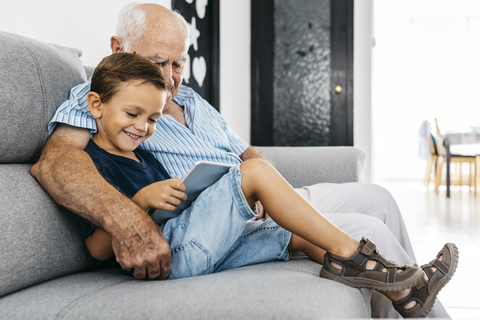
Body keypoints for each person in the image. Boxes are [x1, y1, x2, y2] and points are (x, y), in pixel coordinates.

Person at [30, 3, 450, 318]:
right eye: (159, 62)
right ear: (118, 50)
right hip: (217, 215)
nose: (171, 77)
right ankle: (407, 294)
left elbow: (246, 152)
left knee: (378, 197)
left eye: (178, 63)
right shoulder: (106, 96)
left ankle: (418, 297)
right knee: (366, 227)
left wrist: (272, 189)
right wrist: (129, 214)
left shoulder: (190, 98)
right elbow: (57, 161)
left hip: (258, 199)